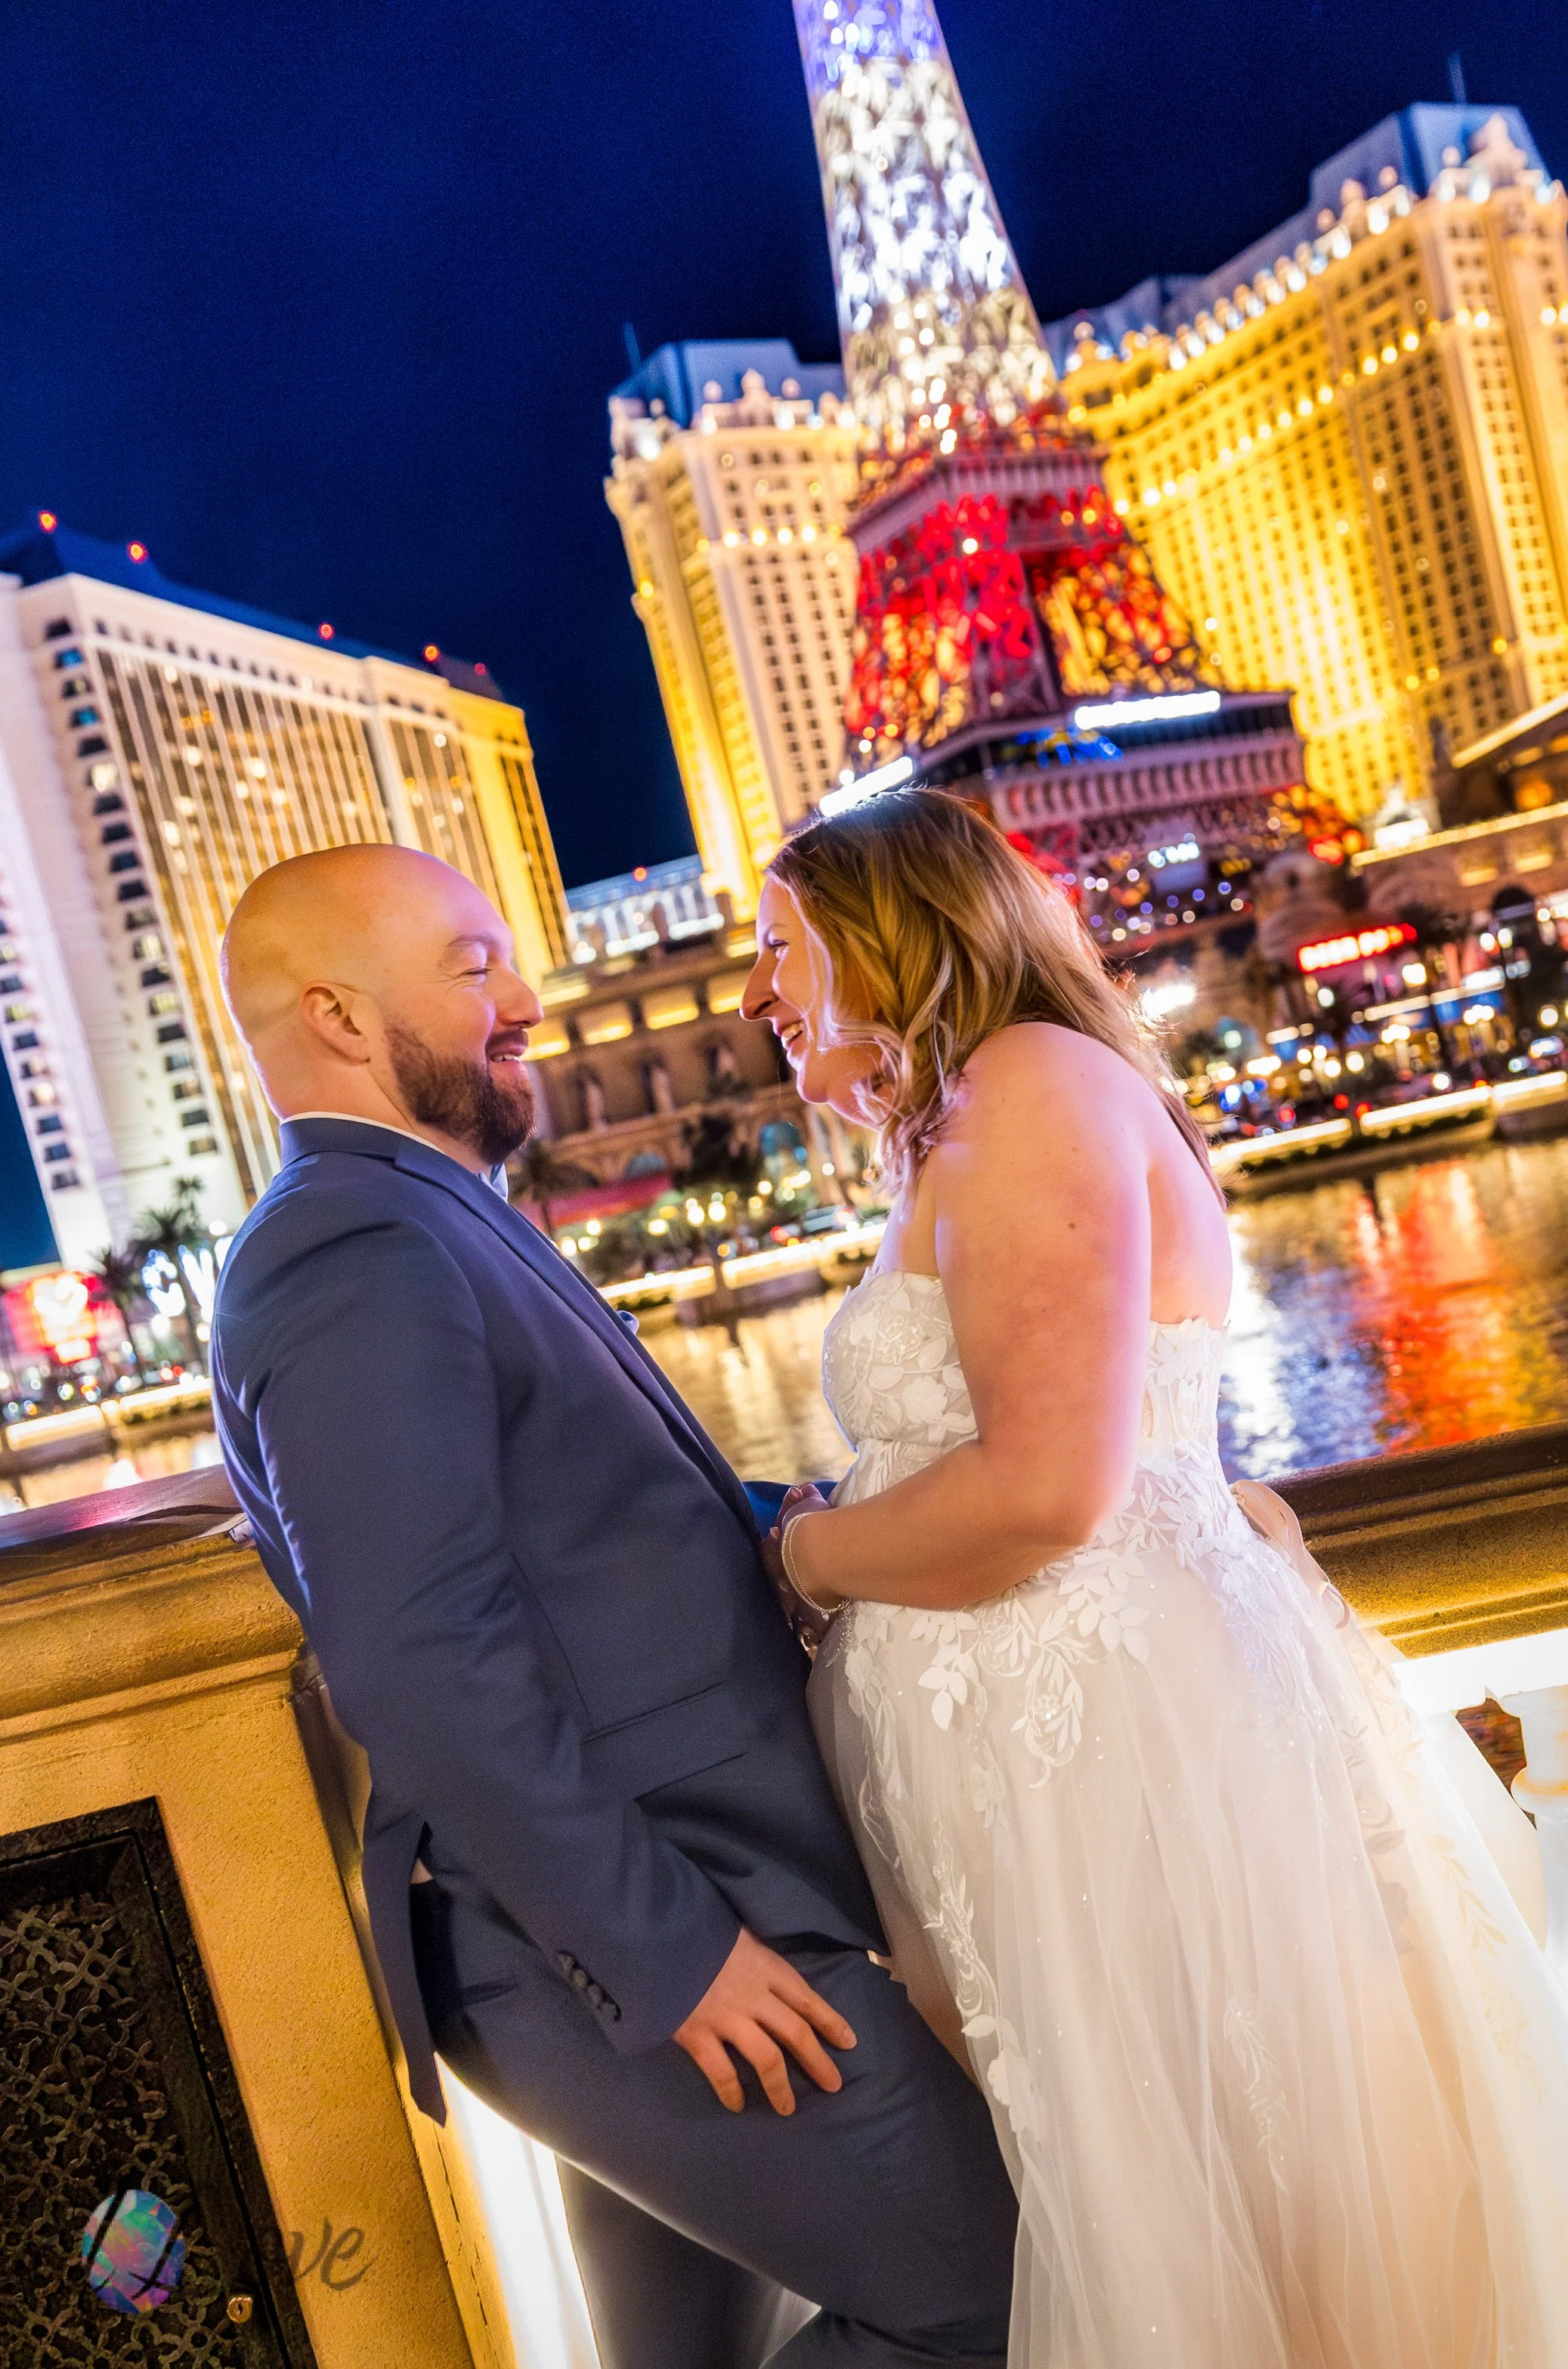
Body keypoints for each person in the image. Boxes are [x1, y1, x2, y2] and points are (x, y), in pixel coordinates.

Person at [744, 786, 1568, 2369]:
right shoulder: (979, 1116)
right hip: (1059, 1762)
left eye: (776, 947)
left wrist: (803, 1554)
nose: (755, 993)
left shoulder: (1026, 1085)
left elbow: (1045, 1487)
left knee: (1262, 2219)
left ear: (889, 934)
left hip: (1120, 1770)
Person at [209, 843, 1017, 2369]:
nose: (523, 999)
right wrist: (669, 1958)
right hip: (626, 1932)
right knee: (989, 2297)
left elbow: (594, 1540)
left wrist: (838, 1522)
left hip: (654, 1903)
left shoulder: (421, 1214)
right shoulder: (348, 1248)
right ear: (332, 1013)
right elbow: (417, 1655)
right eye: (470, 967)